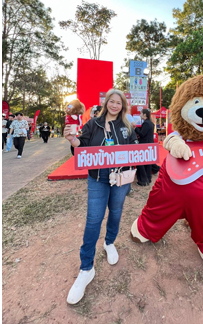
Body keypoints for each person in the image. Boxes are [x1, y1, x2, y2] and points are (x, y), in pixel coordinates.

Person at [64, 89, 138, 305]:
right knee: (93, 220)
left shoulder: (127, 126)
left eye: (118, 102)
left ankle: (109, 242)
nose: (115, 105)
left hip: (121, 178)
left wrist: (134, 150)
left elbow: (135, 145)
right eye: (111, 101)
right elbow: (81, 146)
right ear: (106, 103)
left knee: (116, 211)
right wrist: (73, 140)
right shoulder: (93, 124)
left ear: (123, 106)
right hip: (97, 178)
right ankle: (86, 268)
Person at [135, 108, 154, 186]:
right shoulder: (150, 123)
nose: (140, 115)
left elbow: (142, 134)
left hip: (144, 145)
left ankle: (143, 180)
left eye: (141, 113)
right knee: (148, 163)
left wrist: (135, 128)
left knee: (142, 163)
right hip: (149, 144)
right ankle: (148, 179)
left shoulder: (146, 123)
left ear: (144, 115)